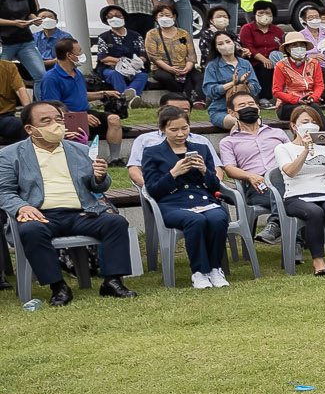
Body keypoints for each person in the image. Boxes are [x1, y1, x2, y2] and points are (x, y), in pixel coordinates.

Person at [0, 101, 135, 303]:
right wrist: (22, 206)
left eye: (58, 119)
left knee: (116, 223)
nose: (55, 125)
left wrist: (99, 178)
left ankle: (113, 281)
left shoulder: (79, 149)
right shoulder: (10, 155)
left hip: (81, 213)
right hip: (41, 215)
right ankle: (58, 287)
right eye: (46, 121)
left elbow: (98, 186)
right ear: (30, 129)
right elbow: (4, 191)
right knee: (30, 230)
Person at [139, 103, 233, 289]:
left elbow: (214, 185)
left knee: (218, 217)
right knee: (195, 221)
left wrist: (205, 170)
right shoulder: (152, 153)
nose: (180, 134)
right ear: (162, 129)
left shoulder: (201, 148)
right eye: (174, 130)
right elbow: (153, 190)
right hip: (173, 204)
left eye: (184, 128)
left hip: (203, 200)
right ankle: (199, 272)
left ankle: (215, 268)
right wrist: (173, 173)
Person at [273, 104, 325, 274]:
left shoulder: (324, 149)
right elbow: (290, 172)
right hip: (296, 196)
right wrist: (305, 150)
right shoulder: (283, 148)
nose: (310, 124)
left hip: (324, 193)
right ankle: (318, 261)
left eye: (314, 121)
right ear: (294, 126)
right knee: (315, 212)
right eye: (305, 121)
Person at [217, 96, 290, 244]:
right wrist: (251, 176)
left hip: (286, 179)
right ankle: (294, 242)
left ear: (258, 107)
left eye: (251, 104)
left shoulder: (277, 133)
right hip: (258, 188)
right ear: (232, 112)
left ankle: (276, 224)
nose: (248, 107)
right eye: (242, 105)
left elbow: (292, 153)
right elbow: (230, 169)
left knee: (282, 184)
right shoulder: (228, 142)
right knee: (291, 197)